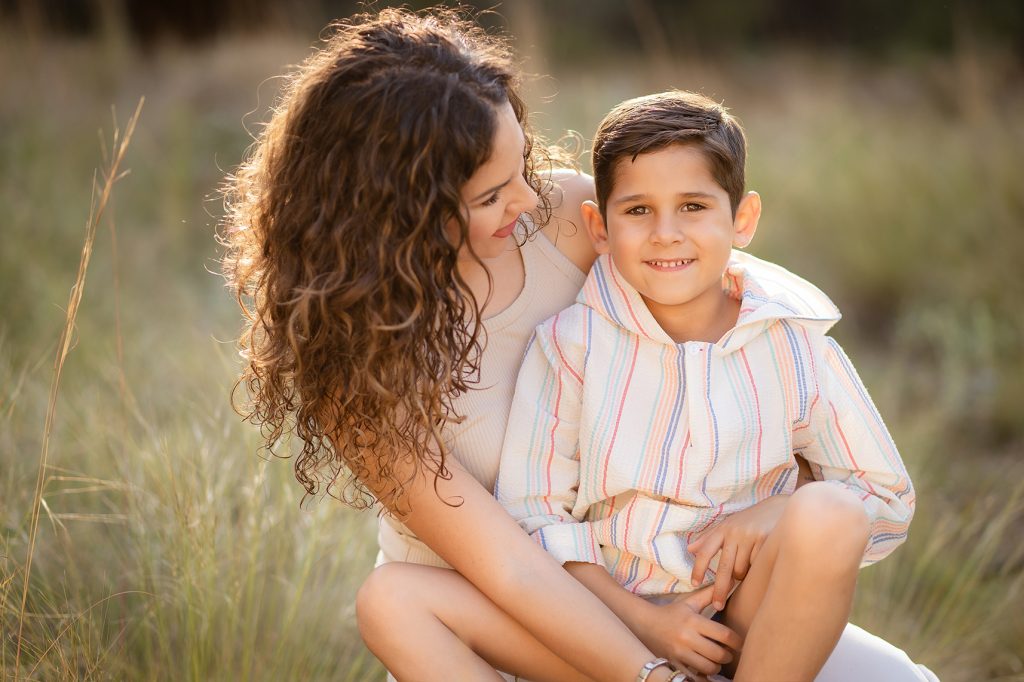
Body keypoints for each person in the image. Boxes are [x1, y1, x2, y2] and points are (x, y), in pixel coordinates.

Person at [221, 6, 934, 681]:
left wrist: (791, 503)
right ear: (402, 213)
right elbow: (508, 565)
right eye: (492, 194)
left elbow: (734, 334)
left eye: (522, 166)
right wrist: (648, 664)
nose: (527, 200)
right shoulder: (352, 361)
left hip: (675, 587)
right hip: (514, 621)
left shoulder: (566, 217)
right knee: (388, 598)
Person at [496, 90, 920, 681]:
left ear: (742, 220)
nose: (666, 233)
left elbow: (886, 497)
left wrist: (779, 510)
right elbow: (531, 520)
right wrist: (646, 623)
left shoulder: (795, 345)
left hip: (746, 620)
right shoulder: (572, 346)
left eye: (693, 206)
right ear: (599, 226)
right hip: (609, 625)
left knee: (831, 511)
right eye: (638, 210)